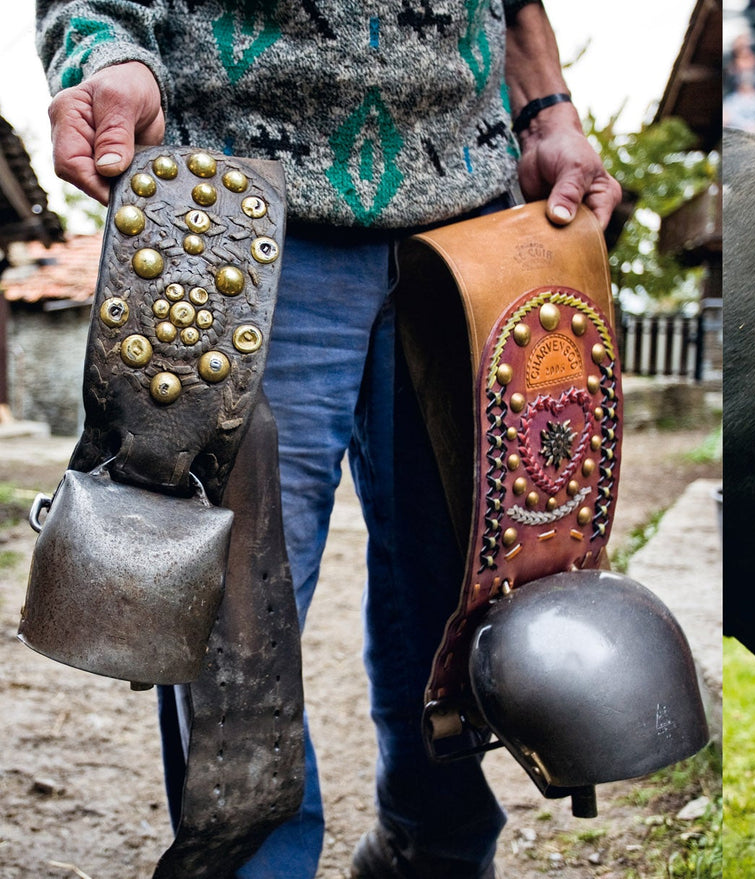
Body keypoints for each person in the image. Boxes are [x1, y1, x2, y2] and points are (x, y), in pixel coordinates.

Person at [37, 1, 621, 876]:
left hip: (471, 213)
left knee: (476, 587)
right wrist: (109, 54)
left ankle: (433, 850)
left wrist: (549, 113)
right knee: (233, 630)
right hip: (234, 212)